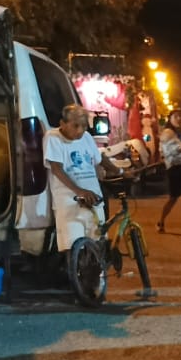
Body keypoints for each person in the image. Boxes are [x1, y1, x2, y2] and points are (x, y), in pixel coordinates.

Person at [42, 104, 127, 253]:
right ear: (63, 123)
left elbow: (99, 158)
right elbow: (56, 169)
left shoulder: (87, 137)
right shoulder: (53, 138)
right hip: (69, 205)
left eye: (84, 126)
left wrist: (121, 171)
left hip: (94, 201)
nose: (80, 130)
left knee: (98, 247)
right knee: (74, 250)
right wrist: (79, 191)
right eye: (75, 126)